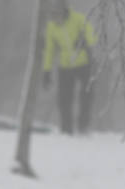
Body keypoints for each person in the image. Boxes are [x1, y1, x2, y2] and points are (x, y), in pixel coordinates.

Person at [42, 3, 97, 135]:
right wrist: (47, 71)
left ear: (63, 11)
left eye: (57, 14)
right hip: (65, 65)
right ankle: (66, 128)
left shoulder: (78, 19)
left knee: (86, 95)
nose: (55, 18)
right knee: (64, 98)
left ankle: (83, 126)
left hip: (84, 62)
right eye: (52, 15)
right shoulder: (51, 27)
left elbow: (92, 36)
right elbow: (49, 50)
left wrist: (83, 42)